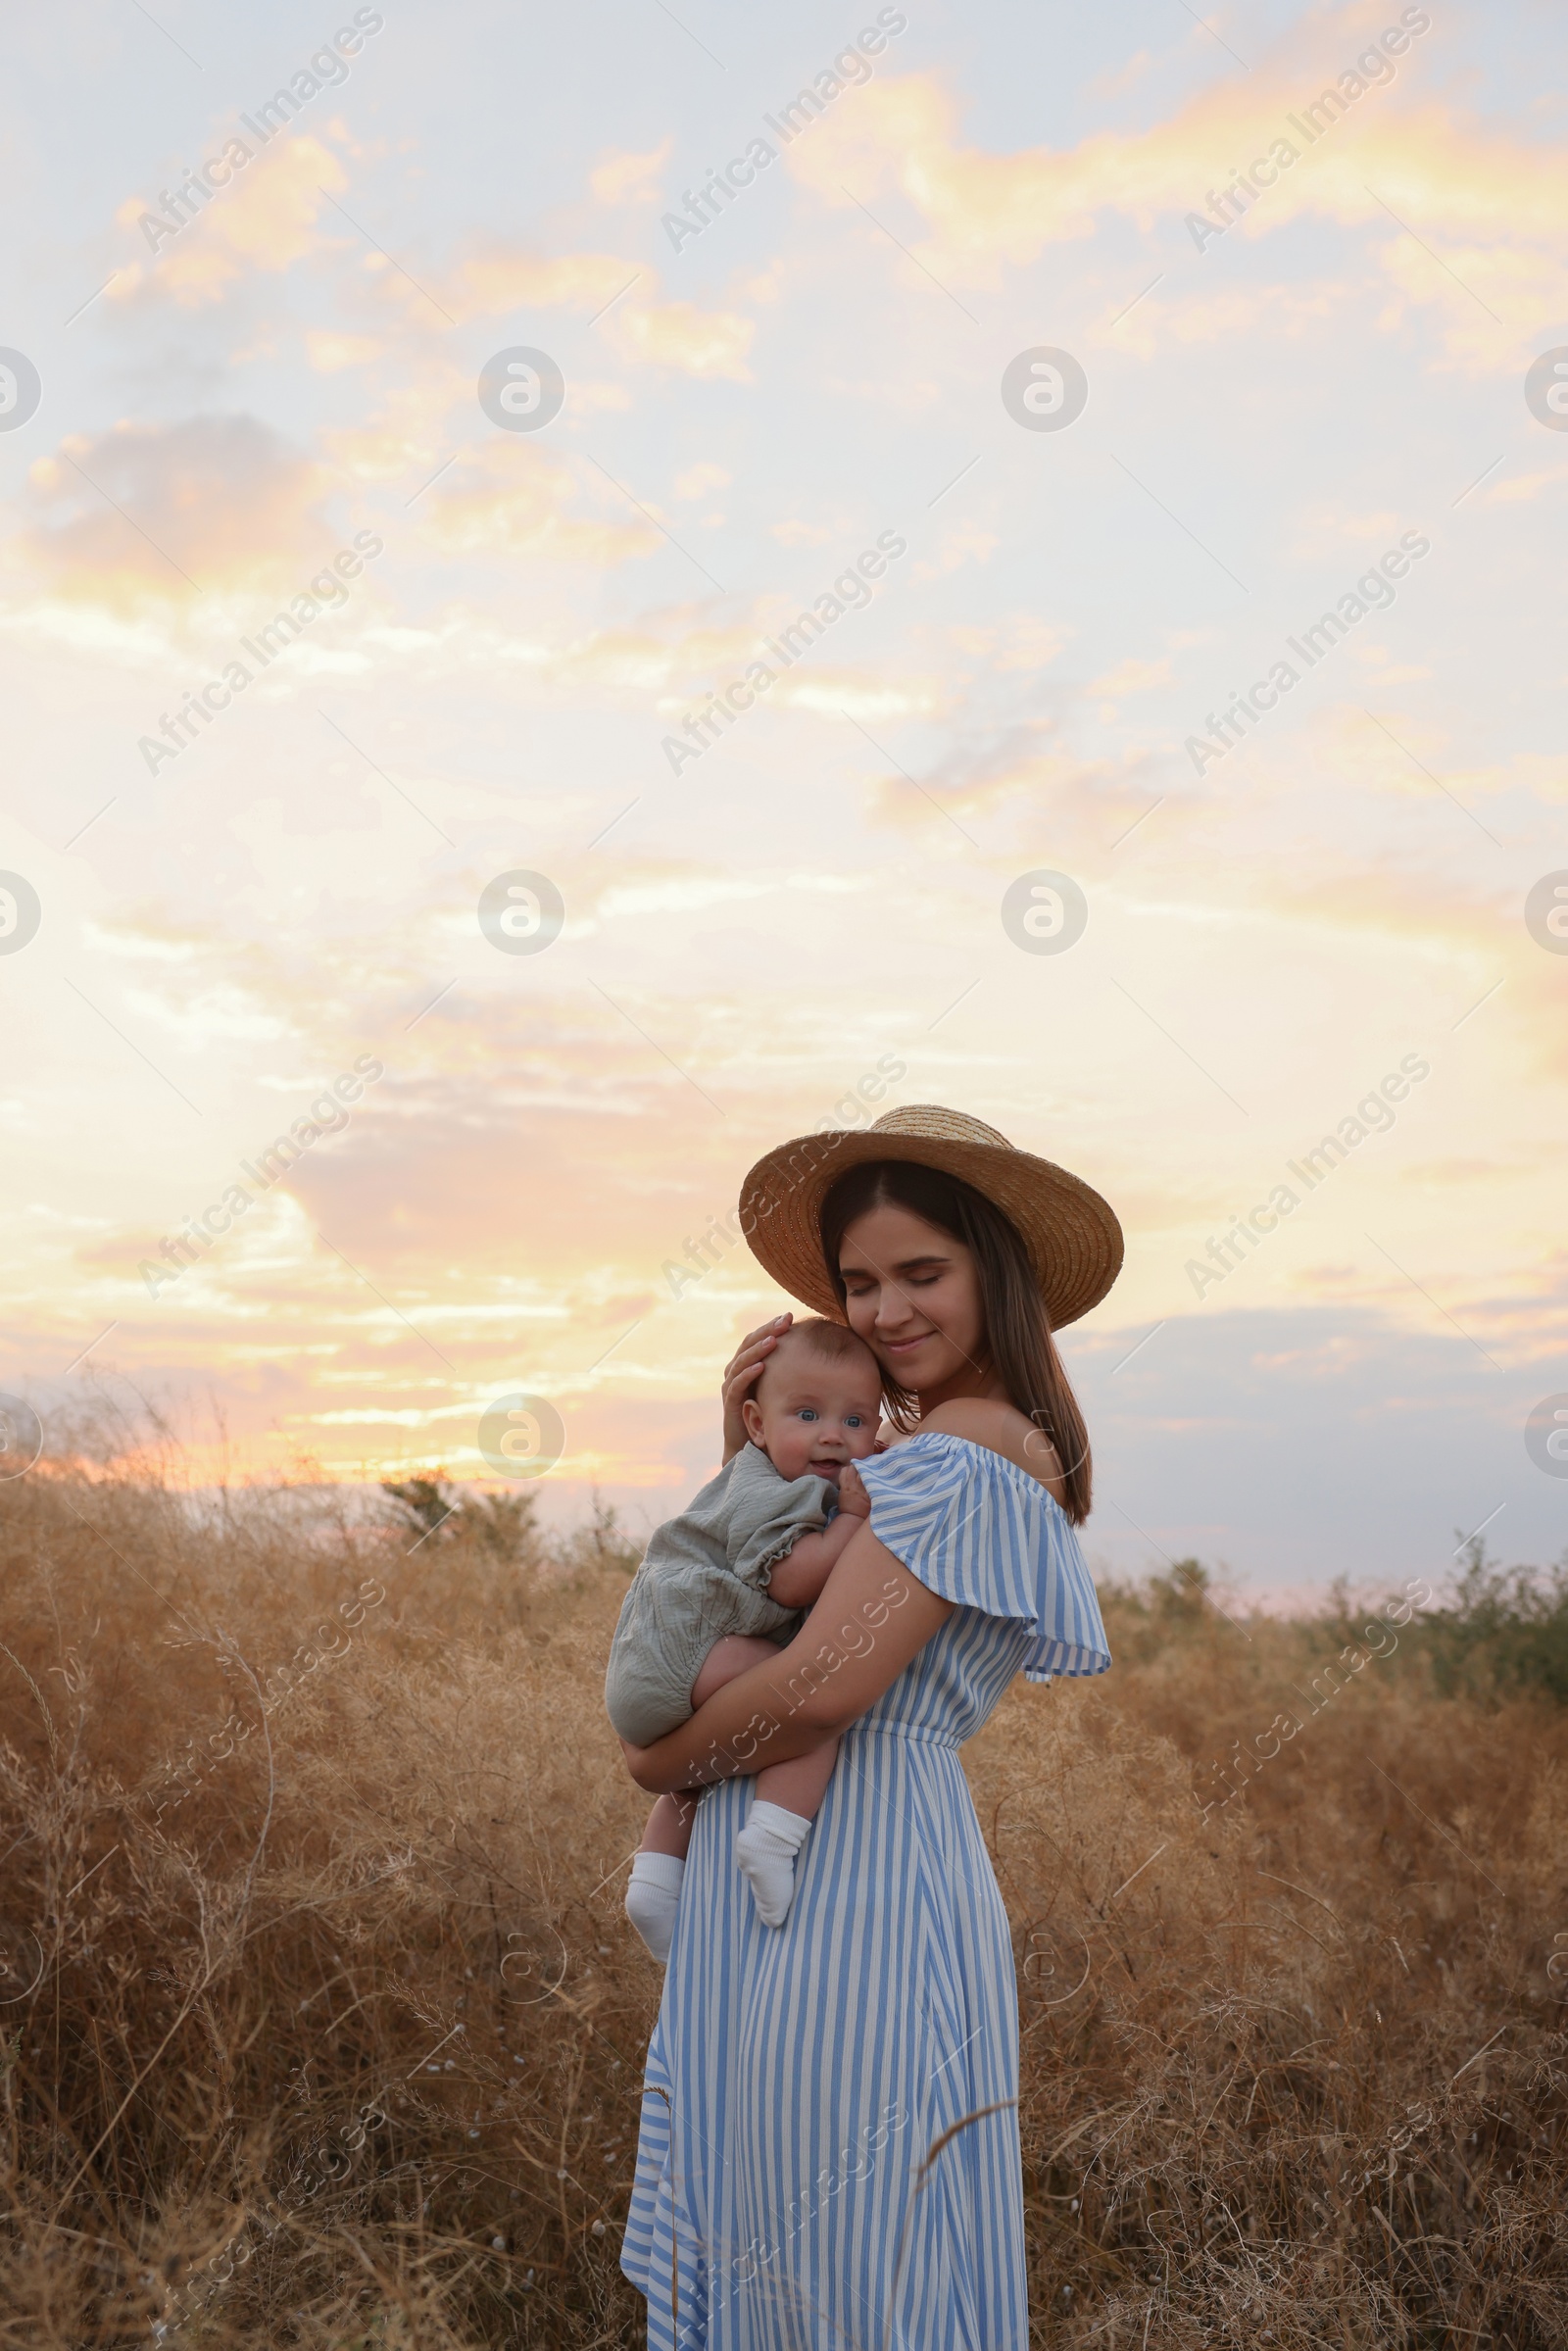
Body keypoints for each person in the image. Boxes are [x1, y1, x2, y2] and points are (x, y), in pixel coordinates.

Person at [617, 1103, 1122, 2350]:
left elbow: (822, 1687)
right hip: (791, 1863)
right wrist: (757, 1443)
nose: (887, 1310)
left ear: (994, 1276)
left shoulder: (967, 1450)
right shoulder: (908, 1450)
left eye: (921, 1272)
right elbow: (782, 1605)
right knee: (779, 2228)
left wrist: (658, 1764)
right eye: (859, 1282)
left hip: (856, 1878)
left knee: (840, 2257)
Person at [607, 1317, 885, 1948]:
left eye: (856, 1421)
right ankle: (772, 1838)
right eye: (807, 1415)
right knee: (807, 1701)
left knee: (704, 1766)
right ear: (757, 1425)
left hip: (654, 1667)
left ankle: (653, 1880)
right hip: (689, 1650)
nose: (833, 1440)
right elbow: (790, 1582)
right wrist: (854, 1521)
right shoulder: (769, 1491)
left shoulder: (755, 1476)